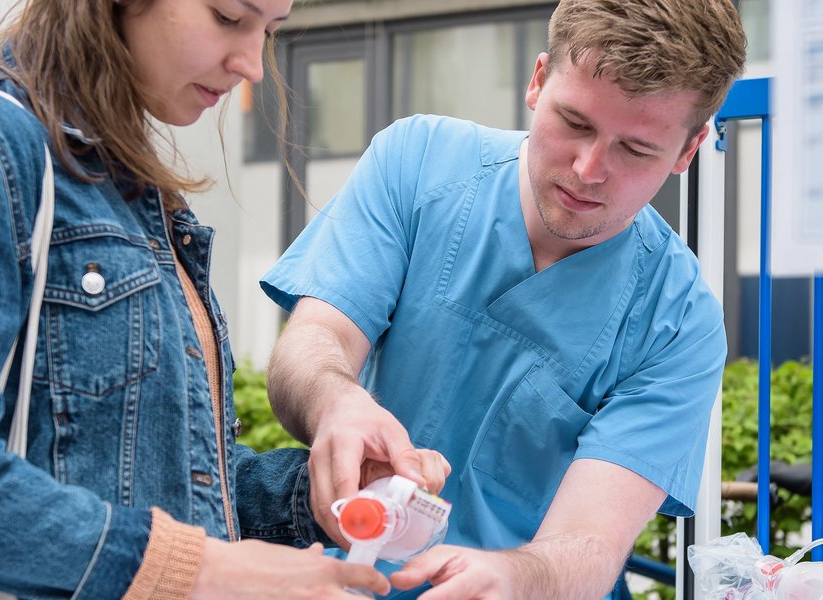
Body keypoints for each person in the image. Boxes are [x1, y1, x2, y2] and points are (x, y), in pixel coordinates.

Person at [0, 0, 450, 598]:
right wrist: (204, 570)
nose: (252, 64)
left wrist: (321, 491)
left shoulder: (139, 195)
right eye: (229, 18)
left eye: (270, 32)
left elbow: (175, 473)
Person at [260, 0, 747, 597]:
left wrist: (516, 576)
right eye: (575, 122)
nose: (589, 169)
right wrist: (334, 400)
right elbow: (316, 341)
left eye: (636, 150)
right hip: (346, 573)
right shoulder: (417, 164)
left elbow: (591, 544)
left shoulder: (678, 321)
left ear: (688, 150)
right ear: (538, 82)